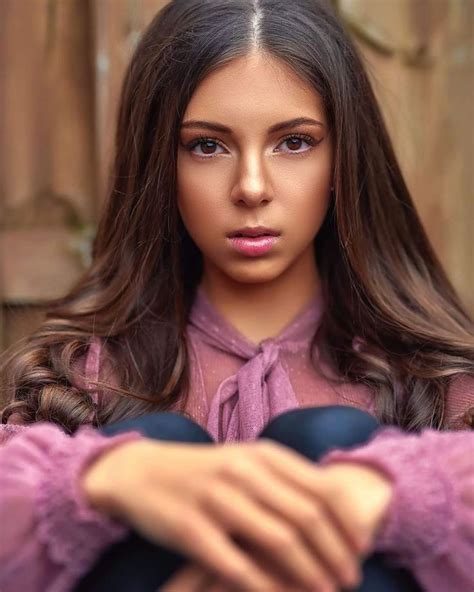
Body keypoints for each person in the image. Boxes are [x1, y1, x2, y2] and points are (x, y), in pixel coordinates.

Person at [1, 0, 473, 591]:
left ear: (343, 157)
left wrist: (395, 490)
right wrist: (100, 479)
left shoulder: (429, 374)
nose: (252, 187)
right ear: (160, 161)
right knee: (155, 445)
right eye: (207, 146)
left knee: (325, 440)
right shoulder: (88, 374)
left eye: (294, 142)